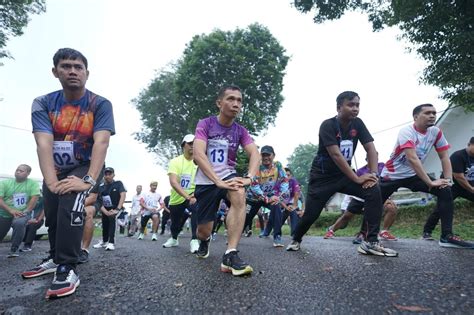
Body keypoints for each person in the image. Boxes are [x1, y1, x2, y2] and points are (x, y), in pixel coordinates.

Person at [24, 48, 114, 299]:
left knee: (71, 207)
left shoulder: (100, 104)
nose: (72, 71)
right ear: (55, 72)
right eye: (65, 66)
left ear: (87, 73)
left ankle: (67, 266)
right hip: (55, 168)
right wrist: (51, 181)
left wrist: (88, 180)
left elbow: (101, 143)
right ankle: (55, 257)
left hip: (85, 166)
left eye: (78, 67)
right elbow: (43, 143)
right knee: (52, 215)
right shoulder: (42, 103)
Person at [286, 91, 398, 257]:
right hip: (323, 178)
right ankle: (296, 238)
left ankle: (370, 241)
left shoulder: (358, 124)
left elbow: (371, 149)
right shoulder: (327, 125)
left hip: (344, 176)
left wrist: (374, 175)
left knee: (374, 189)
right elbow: (336, 155)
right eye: (350, 105)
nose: (355, 108)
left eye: (357, 105)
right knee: (311, 214)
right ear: (339, 107)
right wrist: (357, 178)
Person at [379, 104, 473, 248]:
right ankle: (367, 234)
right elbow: (412, 159)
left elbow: (444, 157)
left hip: (413, 175)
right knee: (374, 202)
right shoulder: (407, 131)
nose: (432, 116)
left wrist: (448, 181)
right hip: (392, 175)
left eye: (434, 113)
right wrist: (430, 181)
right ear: (416, 117)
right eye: (427, 113)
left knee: (445, 190)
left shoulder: (436, 132)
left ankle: (446, 236)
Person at [193, 85, 260, 276]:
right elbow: (198, 154)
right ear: (219, 103)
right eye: (231, 99)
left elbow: (254, 152)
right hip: (206, 181)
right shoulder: (205, 124)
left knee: (239, 193)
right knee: (204, 230)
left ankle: (230, 254)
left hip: (228, 177)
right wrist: (216, 180)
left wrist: (249, 178)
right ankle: (204, 241)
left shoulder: (240, 131)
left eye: (239, 101)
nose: (236, 104)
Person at [324, 159, 399, 243]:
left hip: (377, 196)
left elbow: (387, 182)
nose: (375, 159)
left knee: (391, 208)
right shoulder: (360, 171)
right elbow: (355, 185)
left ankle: (383, 232)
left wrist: (388, 198)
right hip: (360, 197)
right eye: (371, 157)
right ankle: (331, 230)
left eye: (376, 157)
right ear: (367, 159)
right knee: (346, 216)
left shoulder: (382, 166)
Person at [422, 137, 474, 239]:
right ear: (469, 144)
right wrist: (472, 189)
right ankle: (427, 231)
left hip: (466, 186)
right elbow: (459, 177)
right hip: (451, 186)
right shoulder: (458, 156)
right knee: (441, 208)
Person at [245, 145, 289, 247]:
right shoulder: (257, 166)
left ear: (273, 155)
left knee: (276, 205)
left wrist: (280, 196)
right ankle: (235, 236)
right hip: (253, 197)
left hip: (269, 196)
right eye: (263, 155)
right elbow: (254, 185)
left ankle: (277, 236)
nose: (265, 158)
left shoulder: (278, 165)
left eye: (268, 155)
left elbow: (284, 181)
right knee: (247, 217)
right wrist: (266, 198)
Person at [163, 134, 199, 253]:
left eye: (195, 143)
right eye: (190, 143)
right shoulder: (175, 161)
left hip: (193, 196)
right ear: (183, 145)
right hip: (178, 197)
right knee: (175, 224)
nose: (192, 146)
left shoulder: (200, 161)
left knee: (196, 210)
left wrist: (195, 195)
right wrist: (186, 196)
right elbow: (173, 182)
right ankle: (174, 238)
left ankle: (194, 240)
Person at [0, 164, 40, 257]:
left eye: (21, 171)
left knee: (19, 223)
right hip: (4, 213)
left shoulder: (33, 184)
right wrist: (11, 210)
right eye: (17, 170)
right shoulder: (4, 183)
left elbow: (34, 199)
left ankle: (14, 249)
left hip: (23, 212)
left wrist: (25, 212)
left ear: (28, 173)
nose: (18, 172)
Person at [92, 167, 126, 251]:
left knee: (112, 217)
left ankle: (111, 242)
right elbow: (98, 200)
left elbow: (123, 195)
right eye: (105, 174)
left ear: (113, 175)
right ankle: (104, 241)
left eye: (109, 174)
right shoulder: (101, 186)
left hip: (116, 208)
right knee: (105, 222)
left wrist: (117, 209)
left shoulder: (118, 183)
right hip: (105, 208)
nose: (107, 176)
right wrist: (105, 211)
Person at [280, 167, 302, 237]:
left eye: (288, 175)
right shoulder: (279, 183)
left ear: (291, 176)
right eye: (285, 175)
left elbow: (297, 195)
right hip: (281, 204)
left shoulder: (294, 183)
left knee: (293, 211)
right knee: (282, 216)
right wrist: (285, 207)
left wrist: (295, 206)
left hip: (290, 203)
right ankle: (275, 230)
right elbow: (278, 198)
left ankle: (294, 233)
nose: (287, 177)